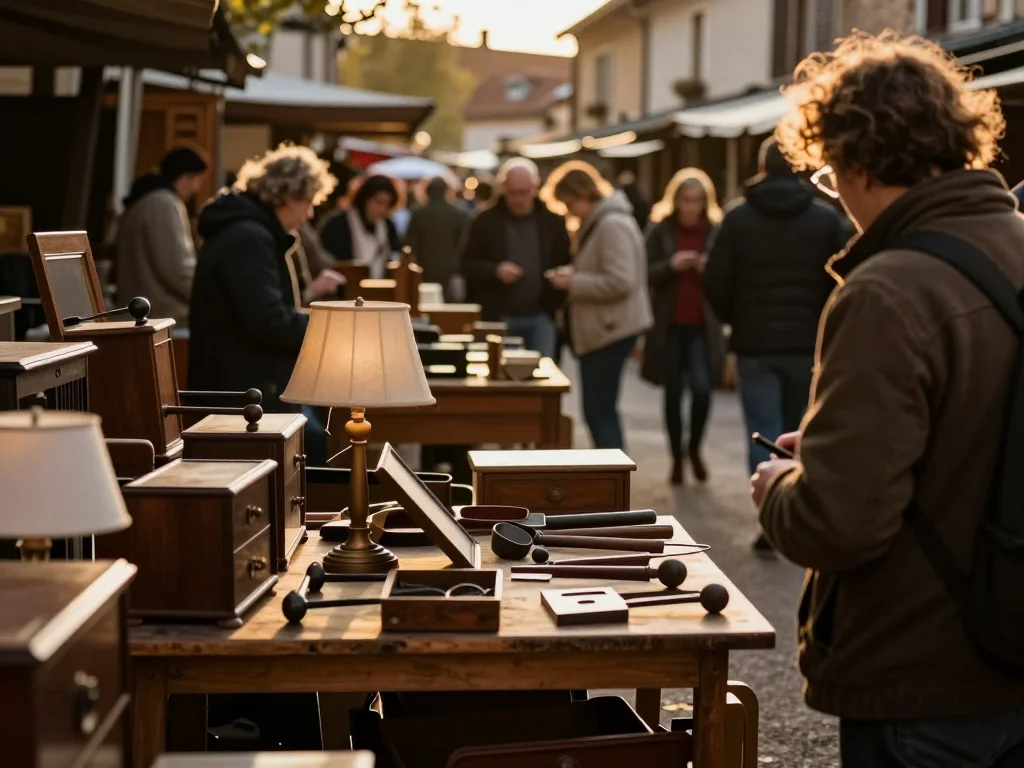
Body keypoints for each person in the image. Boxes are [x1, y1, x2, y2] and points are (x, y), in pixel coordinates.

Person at [750, 31, 1024, 767]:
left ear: (857, 159)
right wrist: (846, 444)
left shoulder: (889, 288)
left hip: (922, 670)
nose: (835, 197)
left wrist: (781, 488)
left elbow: (839, 523)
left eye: (830, 175)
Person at [706, 137, 847, 550]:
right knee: (799, 430)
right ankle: (794, 512)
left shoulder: (737, 218)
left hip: (755, 344)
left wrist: (737, 319)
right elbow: (842, 276)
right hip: (808, 343)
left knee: (763, 431)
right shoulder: (824, 219)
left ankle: (770, 516)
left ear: (762, 167)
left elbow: (715, 280)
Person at [188, 143, 340, 465]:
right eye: (309, 202)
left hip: (246, 384)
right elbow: (267, 320)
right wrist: (333, 327)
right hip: (247, 393)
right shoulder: (249, 238)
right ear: (288, 196)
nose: (309, 214)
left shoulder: (248, 231)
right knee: (315, 445)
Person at [548, 166, 653, 450]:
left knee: (599, 411)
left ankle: (612, 478)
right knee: (599, 410)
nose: (569, 211)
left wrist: (573, 282)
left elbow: (621, 280)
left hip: (610, 329)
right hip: (607, 327)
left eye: (568, 204)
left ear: (582, 194)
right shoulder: (605, 220)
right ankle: (611, 476)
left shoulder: (610, 224)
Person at [642, 169, 727, 485]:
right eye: (685, 201)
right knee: (673, 393)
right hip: (670, 325)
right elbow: (644, 272)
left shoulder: (716, 231)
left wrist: (709, 268)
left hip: (704, 326)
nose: (690, 208)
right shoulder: (660, 230)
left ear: (705, 203)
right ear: (675, 201)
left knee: (703, 389)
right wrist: (671, 265)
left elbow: (727, 275)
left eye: (696, 201)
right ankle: (676, 456)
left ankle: (694, 448)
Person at [460, 157, 571, 359]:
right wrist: (495, 271)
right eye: (513, 193)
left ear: (535, 188)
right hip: (500, 315)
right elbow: (466, 264)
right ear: (503, 189)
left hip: (541, 314)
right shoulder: (485, 220)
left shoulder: (552, 221)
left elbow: (566, 261)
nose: (518, 199)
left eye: (524, 192)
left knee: (544, 378)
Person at [116, 147, 208, 325]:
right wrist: (208, 297)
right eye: (199, 180)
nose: (197, 188)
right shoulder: (164, 204)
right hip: (161, 314)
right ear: (188, 176)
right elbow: (177, 267)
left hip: (145, 310)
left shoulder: (146, 200)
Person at [320, 174, 401, 277]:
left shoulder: (388, 227)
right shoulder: (337, 225)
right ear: (365, 199)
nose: (382, 209)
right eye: (378, 202)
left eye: (387, 204)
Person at [405, 176, 470, 298]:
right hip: (450, 273)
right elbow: (465, 246)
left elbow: (409, 245)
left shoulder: (418, 214)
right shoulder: (460, 215)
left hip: (424, 272)